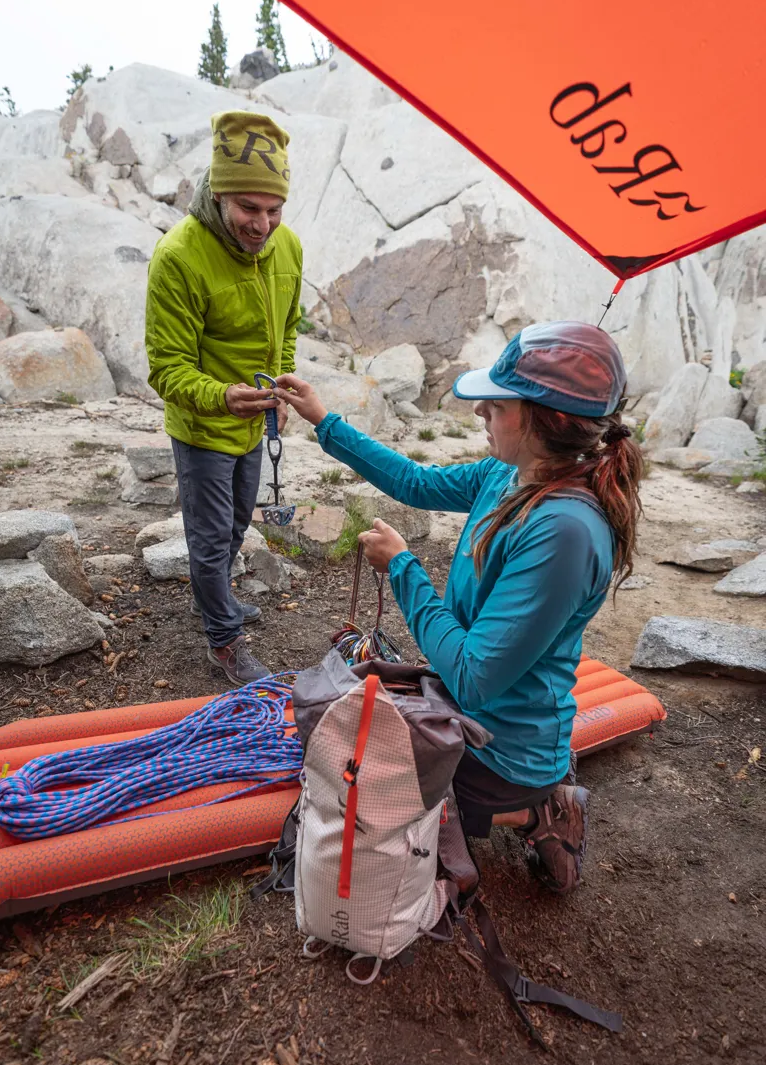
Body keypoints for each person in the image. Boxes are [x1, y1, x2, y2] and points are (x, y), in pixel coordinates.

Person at [275, 322, 643, 893]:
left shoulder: (564, 531)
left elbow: (472, 674)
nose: (480, 412)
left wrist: (403, 568)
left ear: (540, 419)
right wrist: (324, 421)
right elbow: (416, 483)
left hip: (505, 749)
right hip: (469, 706)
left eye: (497, 404)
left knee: (355, 775)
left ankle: (537, 810)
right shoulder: (509, 474)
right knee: (334, 740)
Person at [145, 110, 303, 685]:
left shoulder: (287, 247)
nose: (263, 225)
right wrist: (221, 398)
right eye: (248, 209)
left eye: (274, 209)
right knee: (210, 539)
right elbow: (166, 368)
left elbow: (288, 325)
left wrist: (281, 381)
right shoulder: (179, 256)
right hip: (203, 426)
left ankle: (213, 598)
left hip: (254, 421)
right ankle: (224, 640)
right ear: (217, 195)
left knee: (237, 524)